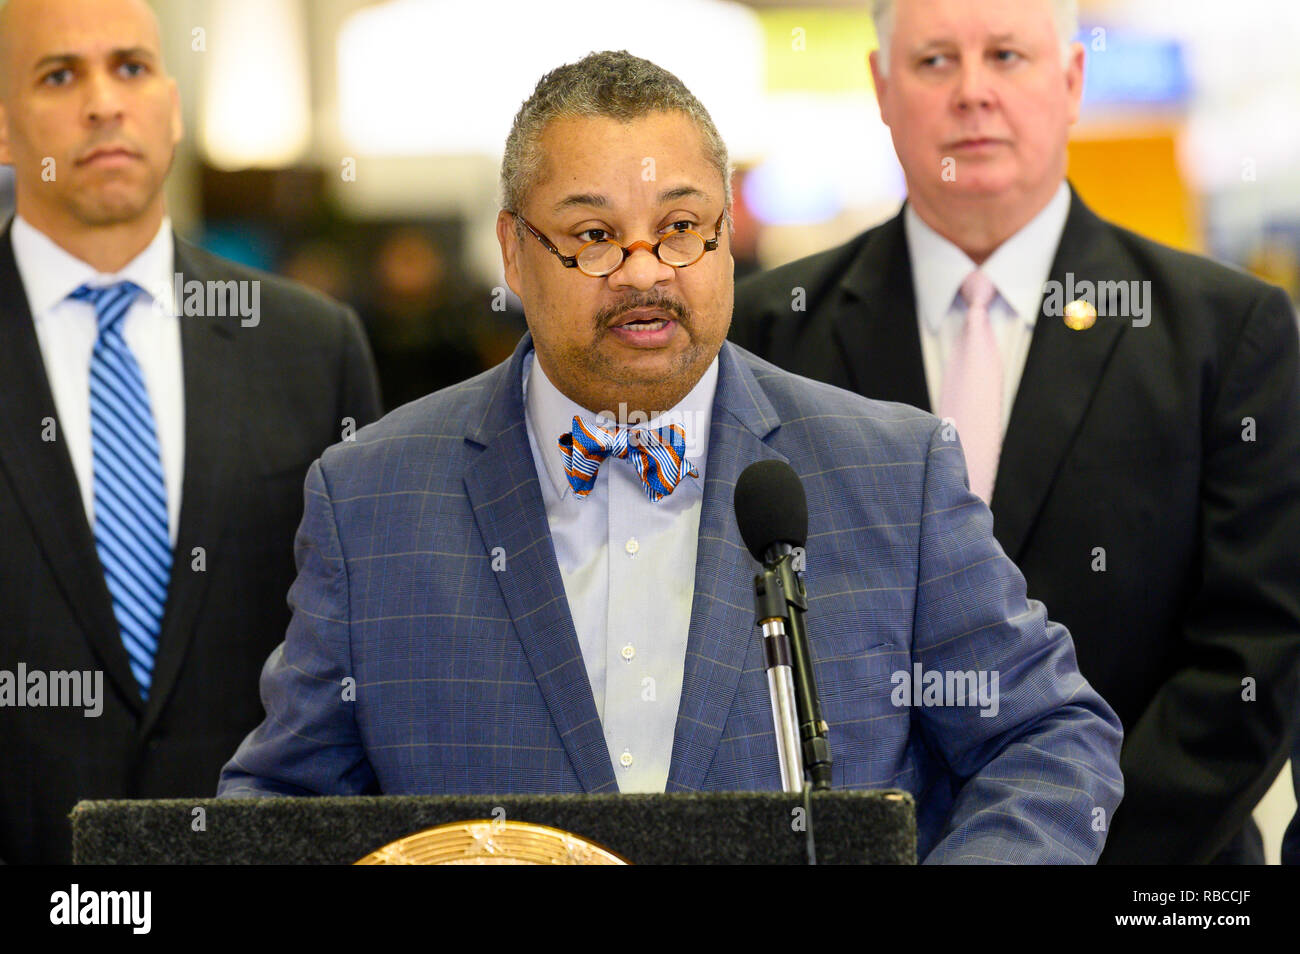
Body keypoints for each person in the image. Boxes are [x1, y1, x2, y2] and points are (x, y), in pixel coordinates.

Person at [219, 50, 1122, 864]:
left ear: (729, 238)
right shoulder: (370, 497)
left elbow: (1048, 740)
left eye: (683, 226)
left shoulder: (892, 471)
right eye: (594, 237)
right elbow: (281, 806)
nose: (646, 271)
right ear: (512, 253)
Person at [731, 0, 1300, 863]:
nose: (972, 93)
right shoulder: (767, 335)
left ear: (1071, 82)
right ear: (883, 88)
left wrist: (1054, 846)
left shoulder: (1226, 332)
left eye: (1006, 55)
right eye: (933, 62)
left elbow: (1256, 650)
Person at [0, 0, 381, 863]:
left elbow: (367, 662)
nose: (104, 102)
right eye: (60, 75)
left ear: (171, 103)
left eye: (131, 67)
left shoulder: (310, 348)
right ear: (3, 128)